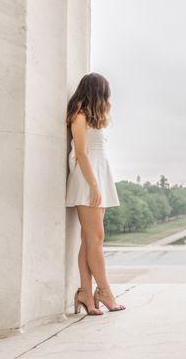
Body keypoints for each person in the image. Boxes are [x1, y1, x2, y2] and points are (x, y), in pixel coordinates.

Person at [65, 73, 126, 315]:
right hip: (88, 180)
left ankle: (85, 294)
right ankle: (105, 291)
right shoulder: (79, 116)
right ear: (96, 92)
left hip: (97, 177)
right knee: (96, 239)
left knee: (88, 241)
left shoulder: (93, 117)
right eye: (105, 92)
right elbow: (81, 153)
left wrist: (98, 183)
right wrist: (93, 185)